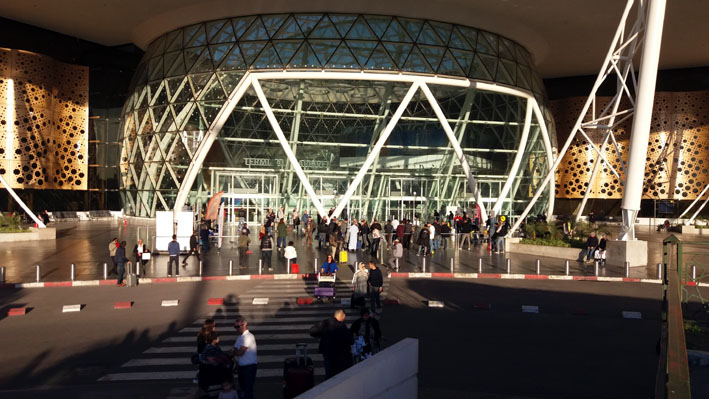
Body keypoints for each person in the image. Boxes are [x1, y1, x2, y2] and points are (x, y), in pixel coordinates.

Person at [309, 309, 354, 379]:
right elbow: (351, 341)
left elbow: (312, 331)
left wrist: (321, 335)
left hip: (327, 353)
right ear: (343, 316)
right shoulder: (341, 326)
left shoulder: (325, 323)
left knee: (329, 374)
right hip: (339, 355)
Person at [232, 317, 257, 399]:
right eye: (235, 327)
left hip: (249, 368)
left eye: (238, 327)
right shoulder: (240, 337)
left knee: (247, 390)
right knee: (243, 389)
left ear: (244, 325)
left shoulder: (248, 337)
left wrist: (234, 352)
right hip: (242, 367)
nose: (236, 329)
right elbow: (234, 349)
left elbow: (240, 352)